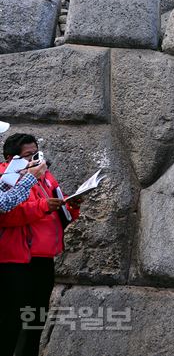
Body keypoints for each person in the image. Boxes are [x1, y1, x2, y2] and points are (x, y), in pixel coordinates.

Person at [0, 133, 81, 356]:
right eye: (28, 156)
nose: (35, 160)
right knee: (12, 320)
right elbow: (6, 213)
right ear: (10, 158)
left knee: (36, 319)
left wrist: (71, 205)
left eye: (36, 154)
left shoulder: (45, 177)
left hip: (43, 259)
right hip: (16, 260)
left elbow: (58, 209)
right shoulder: (5, 177)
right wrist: (44, 206)